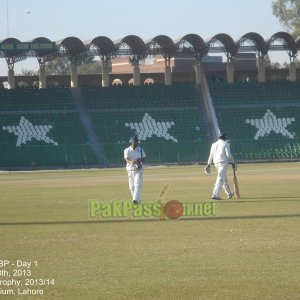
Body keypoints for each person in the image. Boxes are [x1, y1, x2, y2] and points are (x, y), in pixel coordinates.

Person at [205, 132, 235, 200]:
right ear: (225, 138)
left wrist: (208, 164)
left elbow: (211, 155)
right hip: (223, 163)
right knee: (221, 179)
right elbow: (228, 155)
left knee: (224, 178)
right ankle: (215, 195)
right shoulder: (226, 144)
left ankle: (229, 193)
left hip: (216, 163)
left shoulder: (214, 144)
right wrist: (233, 162)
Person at [124, 136, 146, 204]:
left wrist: (138, 160)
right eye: (135, 142)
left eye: (137, 142)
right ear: (131, 142)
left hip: (139, 170)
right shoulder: (126, 150)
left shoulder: (140, 149)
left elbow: (144, 158)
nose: (136, 143)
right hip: (130, 170)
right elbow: (126, 159)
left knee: (137, 184)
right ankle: (138, 201)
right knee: (131, 187)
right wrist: (132, 162)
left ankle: (135, 200)